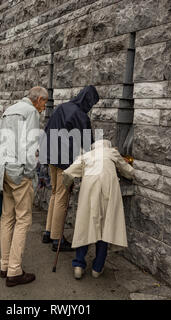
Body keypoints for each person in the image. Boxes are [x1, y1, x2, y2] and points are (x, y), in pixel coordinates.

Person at [0, 87, 48, 287]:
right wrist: (31, 172)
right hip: (19, 171)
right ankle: (14, 271)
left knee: (7, 217)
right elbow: (30, 144)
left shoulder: (9, 109)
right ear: (38, 99)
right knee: (23, 219)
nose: (44, 108)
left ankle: (5, 265)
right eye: (44, 103)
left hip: (3, 169)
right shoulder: (30, 112)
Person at [62, 140, 134, 280]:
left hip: (89, 192)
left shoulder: (87, 155)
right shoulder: (112, 152)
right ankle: (97, 268)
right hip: (108, 192)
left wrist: (68, 185)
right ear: (108, 146)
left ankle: (79, 265)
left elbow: (68, 173)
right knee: (104, 227)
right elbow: (129, 172)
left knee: (85, 226)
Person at [39, 85, 99, 252]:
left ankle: (48, 231)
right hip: (65, 161)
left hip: (50, 155)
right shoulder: (81, 116)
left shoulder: (62, 107)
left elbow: (47, 127)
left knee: (54, 193)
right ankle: (57, 239)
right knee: (61, 198)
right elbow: (88, 145)